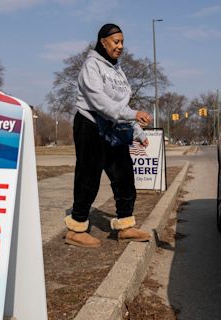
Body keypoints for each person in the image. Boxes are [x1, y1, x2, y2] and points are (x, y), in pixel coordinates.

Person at [64, 23, 152, 248]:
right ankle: (76, 228)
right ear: (103, 42)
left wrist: (137, 131)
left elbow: (121, 105)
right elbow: (102, 104)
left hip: (113, 128)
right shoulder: (91, 66)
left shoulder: (118, 70)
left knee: (124, 176)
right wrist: (134, 114)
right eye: (116, 42)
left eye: (122, 42)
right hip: (91, 124)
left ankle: (125, 226)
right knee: (88, 176)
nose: (120, 46)